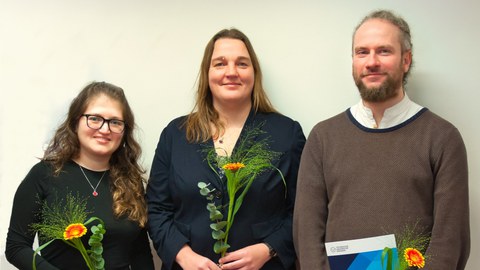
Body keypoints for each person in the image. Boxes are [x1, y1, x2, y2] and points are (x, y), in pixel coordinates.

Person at [293, 9, 470, 269]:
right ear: (353, 60)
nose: (371, 62)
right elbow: (306, 234)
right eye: (362, 52)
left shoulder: (442, 138)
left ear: (406, 60)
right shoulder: (322, 138)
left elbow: (450, 239)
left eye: (384, 51)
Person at [146, 28, 305, 270]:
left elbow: (304, 210)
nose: (231, 72)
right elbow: (156, 209)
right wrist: (183, 255)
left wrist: (269, 248)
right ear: (207, 74)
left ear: (254, 73)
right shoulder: (176, 134)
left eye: (242, 64)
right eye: (220, 64)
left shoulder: (287, 133)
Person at [5, 82, 154, 269]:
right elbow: (16, 247)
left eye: (115, 122)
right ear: (76, 121)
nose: (105, 129)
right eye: (95, 118)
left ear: (124, 130)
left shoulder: (131, 181)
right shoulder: (44, 175)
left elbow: (139, 251)